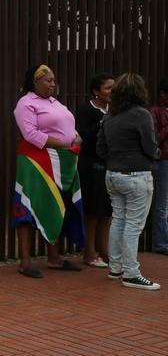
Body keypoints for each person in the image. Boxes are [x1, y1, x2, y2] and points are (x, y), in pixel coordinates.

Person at [12, 64, 84, 278]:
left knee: (55, 204)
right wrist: (63, 145)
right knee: (29, 206)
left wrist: (76, 137)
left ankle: (53, 257)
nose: (53, 84)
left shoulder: (56, 103)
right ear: (35, 82)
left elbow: (68, 126)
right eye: (48, 80)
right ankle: (25, 261)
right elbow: (31, 134)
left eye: (54, 80)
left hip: (62, 162)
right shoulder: (26, 103)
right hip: (36, 162)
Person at [97, 72, 160, 290]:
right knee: (133, 224)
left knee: (119, 220)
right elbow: (150, 146)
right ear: (139, 91)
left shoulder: (109, 116)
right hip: (137, 176)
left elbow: (100, 148)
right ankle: (131, 273)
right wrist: (156, 154)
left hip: (113, 174)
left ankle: (116, 268)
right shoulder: (141, 114)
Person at [76, 73, 114, 267]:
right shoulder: (86, 110)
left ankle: (104, 250)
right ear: (96, 91)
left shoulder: (113, 110)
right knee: (92, 208)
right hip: (91, 164)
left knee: (107, 210)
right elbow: (84, 136)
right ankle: (89, 253)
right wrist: (103, 121)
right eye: (108, 88)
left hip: (109, 164)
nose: (112, 92)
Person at [149, 78, 168, 255]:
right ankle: (161, 244)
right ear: (163, 93)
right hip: (162, 161)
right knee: (162, 205)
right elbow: (154, 140)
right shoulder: (154, 112)